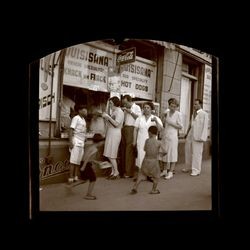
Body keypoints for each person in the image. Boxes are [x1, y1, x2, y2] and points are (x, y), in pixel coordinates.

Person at [130, 126, 166, 194]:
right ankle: (153, 190)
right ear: (156, 133)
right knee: (156, 176)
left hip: (146, 160)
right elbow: (165, 151)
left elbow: (144, 149)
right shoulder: (159, 142)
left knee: (141, 175)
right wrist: (160, 154)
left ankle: (135, 187)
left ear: (149, 133)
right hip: (154, 162)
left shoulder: (147, 141)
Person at [133, 102, 163, 181]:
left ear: (151, 109)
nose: (146, 109)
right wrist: (134, 141)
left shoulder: (155, 118)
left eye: (148, 108)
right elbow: (135, 130)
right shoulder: (139, 118)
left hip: (152, 142)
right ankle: (141, 175)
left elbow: (160, 130)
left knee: (150, 158)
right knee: (140, 157)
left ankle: (150, 175)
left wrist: (156, 121)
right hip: (141, 140)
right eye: (145, 108)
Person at [182, 99, 209, 176]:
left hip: (198, 135)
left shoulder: (204, 114)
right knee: (188, 150)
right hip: (191, 133)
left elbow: (205, 127)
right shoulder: (193, 113)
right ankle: (188, 166)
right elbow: (191, 124)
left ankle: (196, 170)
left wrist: (202, 137)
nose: (194, 106)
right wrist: (187, 133)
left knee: (197, 153)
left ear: (200, 104)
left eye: (196, 104)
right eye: (194, 104)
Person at [159, 98, 183, 180]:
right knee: (165, 153)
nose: (172, 108)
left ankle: (170, 172)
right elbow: (162, 123)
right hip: (165, 135)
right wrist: (162, 117)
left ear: (177, 107)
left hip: (173, 136)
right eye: (171, 106)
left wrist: (170, 122)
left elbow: (180, 126)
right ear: (169, 105)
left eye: (174, 106)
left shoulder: (178, 114)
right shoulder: (166, 113)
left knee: (172, 153)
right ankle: (165, 170)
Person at [102, 96, 124, 179]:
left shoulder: (119, 112)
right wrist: (106, 118)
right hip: (110, 133)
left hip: (115, 133)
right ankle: (113, 172)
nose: (110, 105)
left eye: (111, 103)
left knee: (112, 154)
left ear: (115, 103)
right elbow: (110, 123)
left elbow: (116, 124)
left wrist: (108, 117)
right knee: (109, 153)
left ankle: (116, 172)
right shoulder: (114, 111)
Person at [121, 95, 142, 178]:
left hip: (132, 128)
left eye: (126, 103)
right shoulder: (125, 109)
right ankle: (124, 170)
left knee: (129, 150)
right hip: (125, 128)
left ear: (130, 101)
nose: (125, 105)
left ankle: (129, 172)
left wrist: (130, 112)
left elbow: (138, 118)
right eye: (124, 104)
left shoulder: (136, 107)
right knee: (124, 150)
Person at [79, 133, 105, 200]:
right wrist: (83, 167)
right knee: (93, 179)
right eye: (102, 141)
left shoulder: (91, 146)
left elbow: (89, 158)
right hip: (86, 165)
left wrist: (97, 162)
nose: (103, 143)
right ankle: (88, 195)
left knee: (83, 180)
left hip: (83, 163)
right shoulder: (95, 149)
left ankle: (69, 186)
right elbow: (87, 158)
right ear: (99, 142)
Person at [68, 104, 87, 184]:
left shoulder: (83, 120)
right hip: (75, 141)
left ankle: (76, 176)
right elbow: (71, 130)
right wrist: (70, 142)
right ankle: (70, 178)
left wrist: (85, 137)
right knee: (73, 161)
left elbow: (83, 130)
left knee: (78, 161)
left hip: (81, 143)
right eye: (84, 110)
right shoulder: (76, 118)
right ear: (79, 110)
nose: (86, 111)